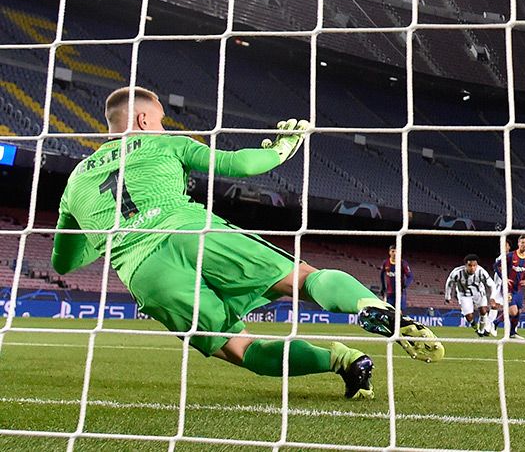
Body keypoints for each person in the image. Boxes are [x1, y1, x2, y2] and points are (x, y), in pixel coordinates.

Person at [51, 87, 443, 402]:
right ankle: (370, 306)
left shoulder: (75, 183)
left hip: (145, 273)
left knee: (241, 349)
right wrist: (282, 148)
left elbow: (65, 260)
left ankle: (342, 360)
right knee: (304, 278)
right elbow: (240, 165)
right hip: (194, 233)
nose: (164, 124)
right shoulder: (166, 144)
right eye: (160, 118)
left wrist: (110, 235)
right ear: (142, 119)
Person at [444, 254, 495, 337]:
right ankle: (475, 327)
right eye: (470, 265)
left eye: (474, 265)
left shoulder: (481, 271)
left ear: (477, 265)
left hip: (478, 292)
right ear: (465, 265)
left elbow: (491, 284)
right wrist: (447, 297)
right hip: (464, 295)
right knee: (469, 316)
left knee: (483, 310)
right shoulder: (457, 272)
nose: (472, 268)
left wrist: (492, 297)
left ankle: (481, 331)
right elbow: (449, 283)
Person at [503, 235, 525, 339]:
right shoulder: (511, 255)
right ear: (518, 243)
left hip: (519, 289)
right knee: (513, 311)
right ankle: (495, 323)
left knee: (519, 312)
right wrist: (504, 278)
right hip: (509, 288)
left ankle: (512, 333)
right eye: (522, 242)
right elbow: (497, 266)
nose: (524, 244)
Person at [380, 244, 413, 312]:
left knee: (400, 312)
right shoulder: (386, 263)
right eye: (393, 251)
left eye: (396, 251)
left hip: (400, 293)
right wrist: (383, 287)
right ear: (389, 252)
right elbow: (381, 275)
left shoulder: (403, 263)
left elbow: (410, 276)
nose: (395, 253)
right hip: (390, 293)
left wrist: (405, 285)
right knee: (389, 311)